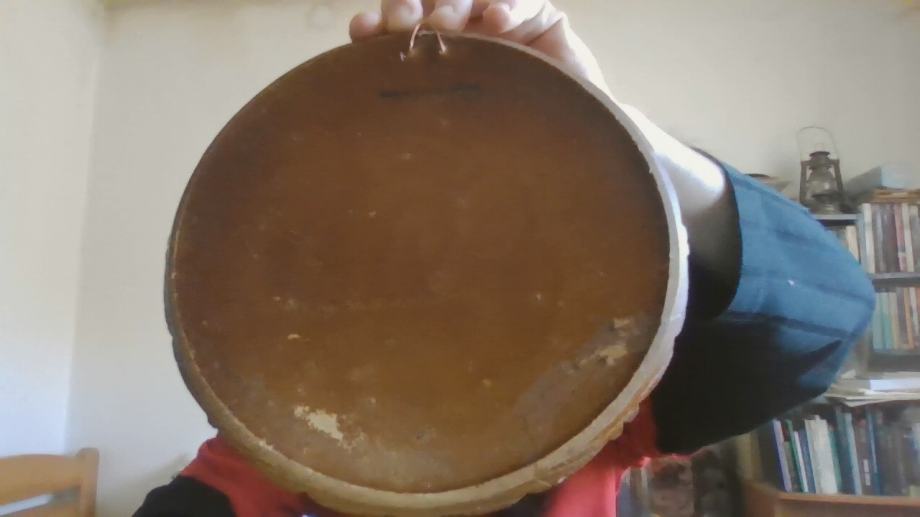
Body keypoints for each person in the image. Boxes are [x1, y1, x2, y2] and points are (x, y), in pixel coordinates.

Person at [136, 1, 874, 516]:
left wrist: (627, 135)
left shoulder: (596, 400)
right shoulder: (272, 448)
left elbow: (830, 311)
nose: (429, 279)